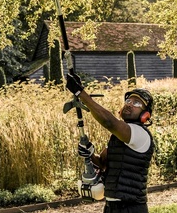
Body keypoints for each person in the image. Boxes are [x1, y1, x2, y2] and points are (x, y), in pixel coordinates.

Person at [66, 73, 154, 213]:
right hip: (111, 207)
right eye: (128, 101)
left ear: (145, 115)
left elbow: (109, 122)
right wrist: (89, 154)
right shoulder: (119, 136)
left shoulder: (140, 134)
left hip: (131, 208)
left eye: (137, 103)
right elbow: (102, 163)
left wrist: (80, 93)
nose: (130, 105)